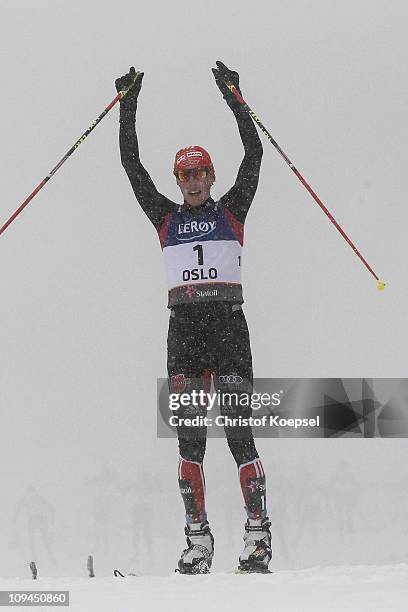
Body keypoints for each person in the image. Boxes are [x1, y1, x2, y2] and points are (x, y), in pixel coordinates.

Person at [115, 61, 272, 574]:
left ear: (212, 175)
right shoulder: (165, 217)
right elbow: (131, 166)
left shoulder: (233, 210)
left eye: (201, 172)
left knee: (238, 431)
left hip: (228, 328)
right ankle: (198, 541)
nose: (194, 181)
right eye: (185, 174)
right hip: (183, 333)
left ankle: (257, 536)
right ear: (178, 180)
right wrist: (128, 103)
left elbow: (255, 152)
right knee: (189, 440)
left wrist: (236, 95)